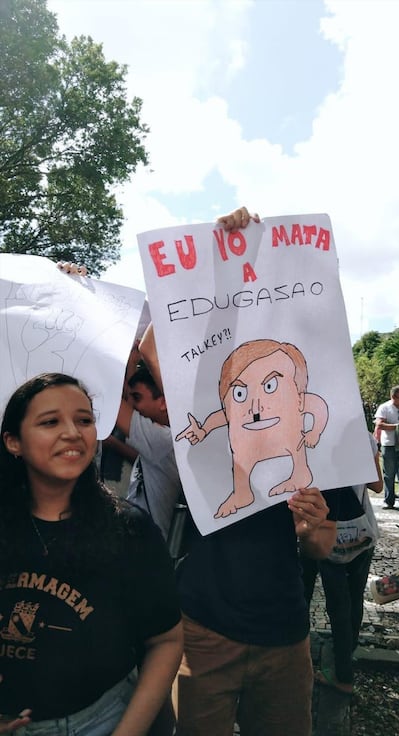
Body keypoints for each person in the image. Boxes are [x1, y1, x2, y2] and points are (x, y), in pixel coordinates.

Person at [139, 206, 338, 736]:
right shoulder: (211, 438)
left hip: (286, 634)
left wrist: (314, 524)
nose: (255, 401)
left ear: (301, 395)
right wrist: (222, 263)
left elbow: (321, 549)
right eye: (241, 390)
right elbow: (154, 350)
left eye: (272, 385)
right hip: (204, 630)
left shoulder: (318, 455)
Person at [0, 372, 183, 735]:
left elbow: (166, 641)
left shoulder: (129, 530)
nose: (72, 432)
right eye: (50, 421)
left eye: (84, 420)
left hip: (103, 720)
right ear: (13, 441)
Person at [305, 435, 383, 694]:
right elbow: (378, 485)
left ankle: (343, 676)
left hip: (329, 532)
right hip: (361, 532)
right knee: (354, 597)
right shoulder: (366, 440)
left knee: (337, 603)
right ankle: (346, 656)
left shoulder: (313, 438)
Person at [116, 360, 183, 542]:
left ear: (163, 402)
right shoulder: (169, 438)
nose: (131, 404)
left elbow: (114, 404)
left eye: (136, 398)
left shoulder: (164, 439)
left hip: (146, 542)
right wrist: (131, 359)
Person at [375, 385, 399, 510]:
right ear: (393, 396)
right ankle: (388, 500)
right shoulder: (384, 407)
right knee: (389, 474)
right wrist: (398, 426)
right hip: (389, 444)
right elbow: (380, 424)